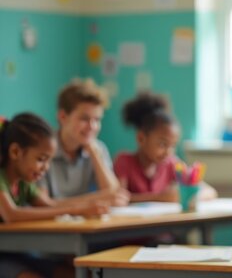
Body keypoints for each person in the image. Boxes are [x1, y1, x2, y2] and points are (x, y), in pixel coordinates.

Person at [0, 113, 108, 278]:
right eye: (41, 159)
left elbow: (49, 204)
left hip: (16, 254)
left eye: (49, 160)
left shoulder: (23, 183)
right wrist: (76, 211)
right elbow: (11, 215)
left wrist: (85, 208)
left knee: (73, 274)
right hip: (3, 257)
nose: (46, 167)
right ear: (15, 152)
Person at [38, 78, 129, 206]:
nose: (92, 126)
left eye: (97, 119)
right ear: (63, 117)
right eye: (84, 119)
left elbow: (115, 195)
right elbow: (43, 204)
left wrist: (94, 153)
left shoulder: (98, 148)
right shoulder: (41, 148)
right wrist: (96, 200)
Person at [114, 91, 217, 202]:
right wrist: (159, 197)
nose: (169, 152)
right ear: (141, 138)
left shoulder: (172, 164)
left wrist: (189, 196)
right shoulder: (124, 161)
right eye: (162, 144)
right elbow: (118, 198)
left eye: (173, 146)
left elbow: (211, 191)